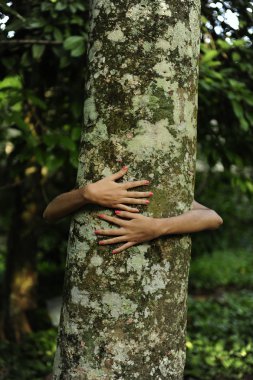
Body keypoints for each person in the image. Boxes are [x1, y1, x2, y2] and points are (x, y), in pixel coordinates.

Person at [43, 166, 223, 254]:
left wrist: (158, 227)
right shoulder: (99, 176)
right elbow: (50, 213)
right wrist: (86, 194)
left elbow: (213, 218)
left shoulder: (163, 186)